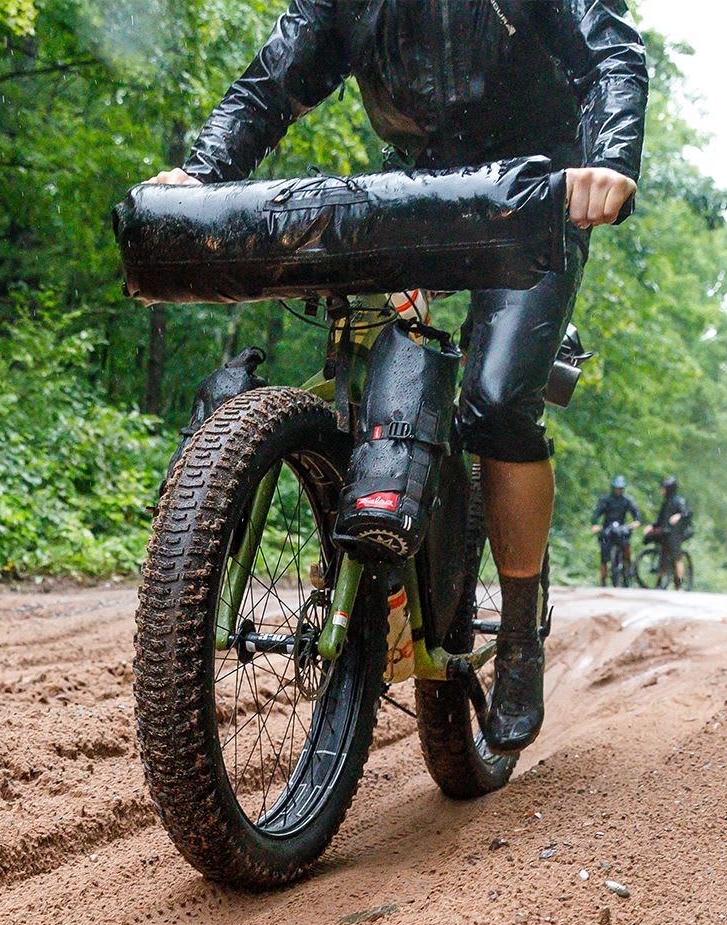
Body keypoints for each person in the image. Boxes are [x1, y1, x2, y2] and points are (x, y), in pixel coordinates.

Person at [144, 1, 648, 753]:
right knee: (361, 356)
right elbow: (271, 86)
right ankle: (367, 558)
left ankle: (516, 636)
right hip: (415, 189)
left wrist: (609, 158)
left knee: (497, 402)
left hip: (538, 189)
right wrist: (202, 171)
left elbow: (612, 54)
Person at [590, 475, 640, 586]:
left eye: (621, 488)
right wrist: (594, 525)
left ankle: (628, 568)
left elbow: (636, 514)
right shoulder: (606, 500)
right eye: (617, 488)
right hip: (607, 530)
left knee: (626, 546)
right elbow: (596, 514)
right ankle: (603, 580)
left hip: (622, 530)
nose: (619, 490)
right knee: (604, 557)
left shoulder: (627, 500)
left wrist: (635, 522)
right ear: (613, 488)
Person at [645, 476, 692, 589]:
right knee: (663, 558)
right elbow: (660, 519)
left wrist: (679, 515)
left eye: (664, 488)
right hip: (666, 533)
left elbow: (687, 512)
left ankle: (679, 585)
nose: (662, 490)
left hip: (676, 533)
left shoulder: (679, 501)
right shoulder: (666, 502)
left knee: (676, 558)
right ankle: (658, 583)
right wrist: (651, 526)